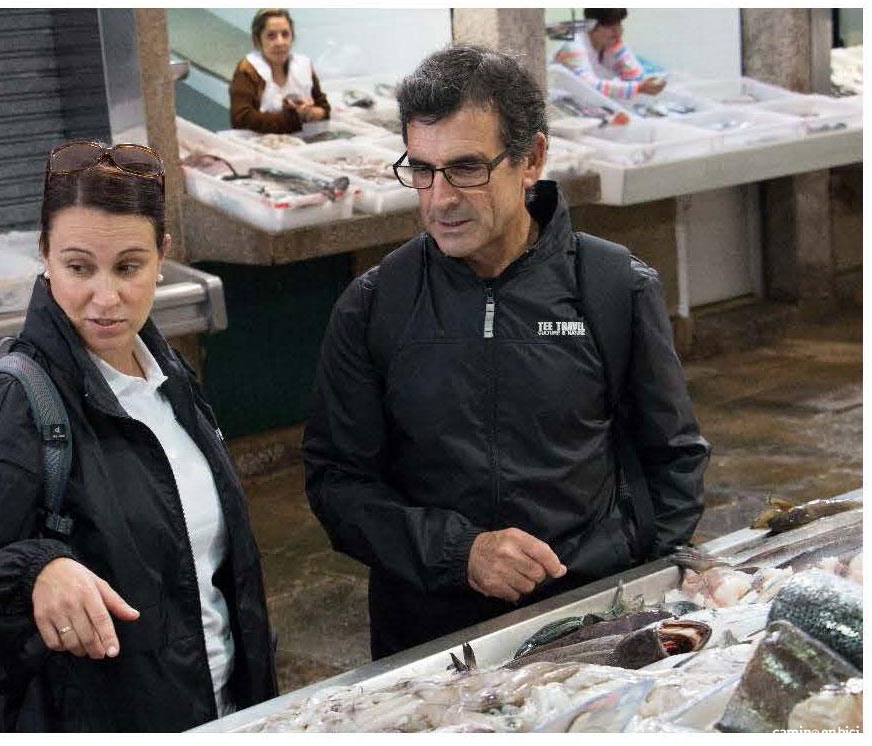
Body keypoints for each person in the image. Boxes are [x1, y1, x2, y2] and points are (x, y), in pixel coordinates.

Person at [303, 44, 709, 660]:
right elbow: (338, 483)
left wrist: (630, 580)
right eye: (422, 169)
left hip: (593, 622)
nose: (439, 199)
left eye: (466, 169)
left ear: (532, 159)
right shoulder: (372, 305)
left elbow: (674, 457)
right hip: (430, 638)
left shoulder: (613, 287)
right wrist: (458, 554)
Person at [0, 141, 278, 731]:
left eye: (129, 267)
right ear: (46, 255)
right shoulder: (10, 408)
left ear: (163, 255)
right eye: (79, 267)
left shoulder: (171, 381)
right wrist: (33, 574)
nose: (105, 299)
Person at [229, 8, 330, 134]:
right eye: (271, 36)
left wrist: (313, 112)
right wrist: (294, 118)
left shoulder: (303, 66)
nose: (280, 42)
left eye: (285, 34)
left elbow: (323, 106)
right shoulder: (248, 70)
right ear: (257, 40)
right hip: (258, 145)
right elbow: (241, 118)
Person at [553, 8, 665, 100]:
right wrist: (638, 88)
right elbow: (590, 86)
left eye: (619, 24)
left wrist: (620, 50)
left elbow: (636, 78)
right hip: (565, 107)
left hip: (595, 104)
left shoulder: (610, 44)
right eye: (609, 26)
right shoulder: (573, 45)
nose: (617, 31)